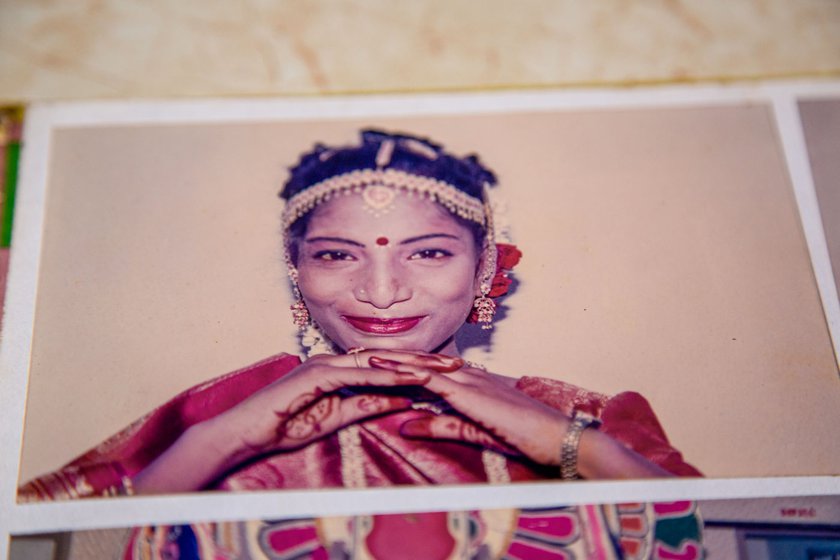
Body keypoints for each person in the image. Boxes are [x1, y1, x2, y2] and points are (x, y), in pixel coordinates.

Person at [20, 130, 703, 558]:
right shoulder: (218, 412)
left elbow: (721, 540)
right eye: (339, 256)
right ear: (299, 272)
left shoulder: (583, 414)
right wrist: (217, 444)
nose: (382, 292)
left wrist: (572, 448)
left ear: (485, 268)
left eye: (429, 252)